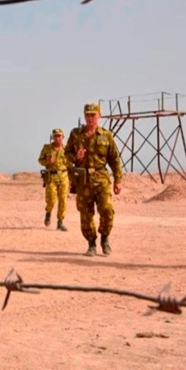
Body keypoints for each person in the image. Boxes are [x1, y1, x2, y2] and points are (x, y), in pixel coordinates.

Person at [64, 102, 123, 256]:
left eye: (93, 115)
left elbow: (114, 159)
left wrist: (118, 180)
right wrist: (76, 157)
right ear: (84, 116)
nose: (90, 118)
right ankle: (91, 243)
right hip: (83, 180)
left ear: (99, 116)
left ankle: (105, 238)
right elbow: (65, 156)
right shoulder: (76, 134)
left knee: (107, 210)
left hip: (101, 178)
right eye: (87, 115)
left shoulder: (106, 135)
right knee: (85, 214)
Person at [37, 128, 70, 231]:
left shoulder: (67, 149)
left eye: (59, 136)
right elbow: (40, 160)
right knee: (51, 199)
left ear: (63, 137)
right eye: (55, 136)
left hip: (64, 176)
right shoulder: (47, 148)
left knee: (63, 200)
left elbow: (70, 163)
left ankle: (60, 222)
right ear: (53, 137)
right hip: (52, 176)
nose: (57, 138)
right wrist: (48, 161)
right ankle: (48, 212)